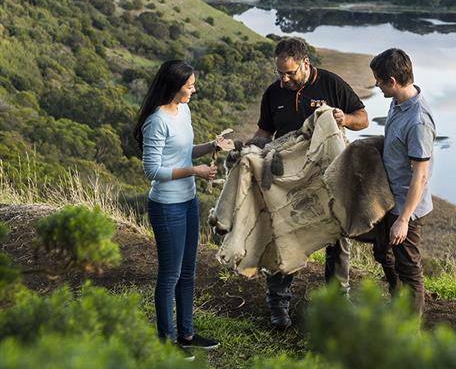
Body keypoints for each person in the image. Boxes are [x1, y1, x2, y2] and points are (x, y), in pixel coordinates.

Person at [252, 37, 368, 328]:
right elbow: (264, 132)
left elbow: (363, 118)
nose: (284, 79)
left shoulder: (330, 83)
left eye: (290, 73)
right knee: (284, 234)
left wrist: (344, 118)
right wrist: (250, 153)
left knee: (337, 233)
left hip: (328, 176)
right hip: (289, 179)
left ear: (306, 63)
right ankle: (278, 303)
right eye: (280, 73)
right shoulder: (273, 93)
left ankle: (337, 301)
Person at [134, 60, 233, 351]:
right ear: (174, 86)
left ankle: (186, 335)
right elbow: (152, 171)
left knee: (188, 272)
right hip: (167, 207)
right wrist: (194, 171)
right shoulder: (156, 121)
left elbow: (183, 152)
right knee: (170, 276)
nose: (194, 90)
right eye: (190, 86)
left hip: (188, 202)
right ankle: (166, 342)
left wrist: (212, 146)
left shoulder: (183, 110)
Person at [369, 48, 435, 315]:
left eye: (379, 80)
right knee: (382, 252)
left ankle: (409, 329)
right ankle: (399, 304)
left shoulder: (418, 122)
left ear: (392, 81)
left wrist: (404, 220)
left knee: (409, 269)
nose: (376, 84)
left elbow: (421, 175)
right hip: (389, 198)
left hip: (407, 206)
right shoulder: (397, 103)